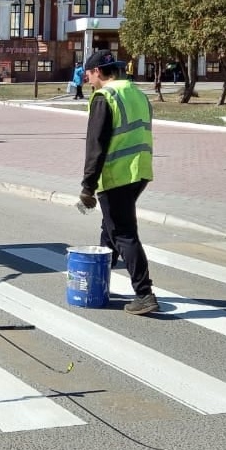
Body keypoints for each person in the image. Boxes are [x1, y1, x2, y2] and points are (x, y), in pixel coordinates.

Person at [78, 49, 158, 316]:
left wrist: (87, 186)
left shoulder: (104, 97)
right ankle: (100, 281)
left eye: (88, 75)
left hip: (117, 174)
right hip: (140, 171)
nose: (87, 80)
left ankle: (144, 293)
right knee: (109, 229)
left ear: (98, 72)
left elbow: (96, 145)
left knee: (123, 233)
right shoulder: (136, 92)